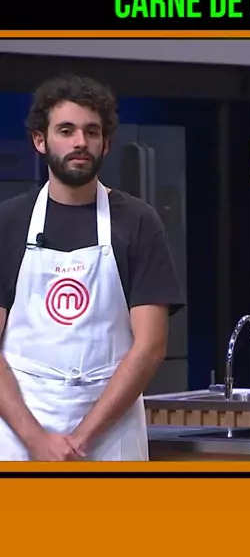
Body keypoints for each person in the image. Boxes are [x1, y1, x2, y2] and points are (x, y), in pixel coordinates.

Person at [0, 73, 184, 461]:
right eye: (66, 130)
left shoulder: (138, 222)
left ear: (106, 144)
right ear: (40, 140)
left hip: (111, 434)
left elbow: (150, 346)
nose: (80, 142)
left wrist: (82, 439)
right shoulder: (8, 222)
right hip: (20, 433)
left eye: (92, 131)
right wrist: (36, 440)